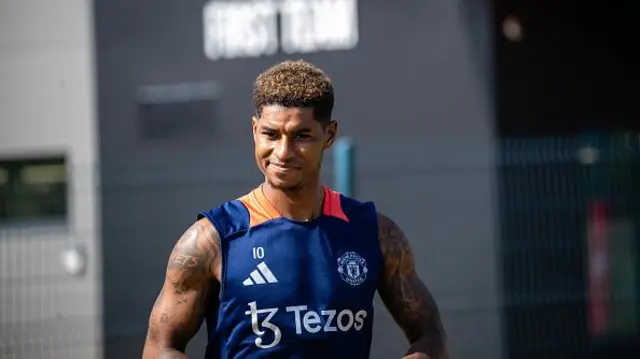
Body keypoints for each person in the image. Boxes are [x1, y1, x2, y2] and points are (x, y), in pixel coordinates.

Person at [142, 60, 449, 359]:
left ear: (328, 135)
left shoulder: (376, 234)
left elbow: (430, 336)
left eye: (301, 136)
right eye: (271, 134)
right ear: (254, 130)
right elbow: (160, 348)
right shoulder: (211, 240)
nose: (283, 152)